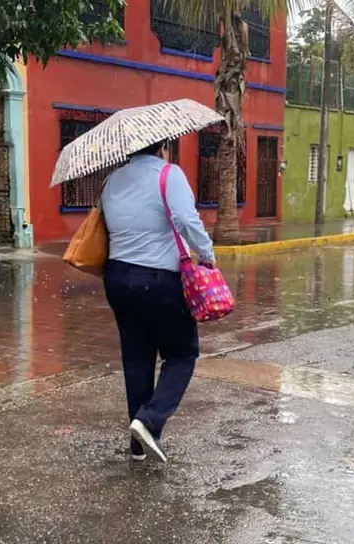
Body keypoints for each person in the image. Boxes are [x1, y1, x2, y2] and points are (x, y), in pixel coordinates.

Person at [100, 139, 216, 463]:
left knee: (136, 360)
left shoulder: (111, 180)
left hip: (118, 278)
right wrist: (207, 255)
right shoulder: (169, 174)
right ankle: (149, 421)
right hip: (160, 280)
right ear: (162, 145)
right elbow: (187, 221)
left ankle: (139, 447)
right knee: (182, 354)